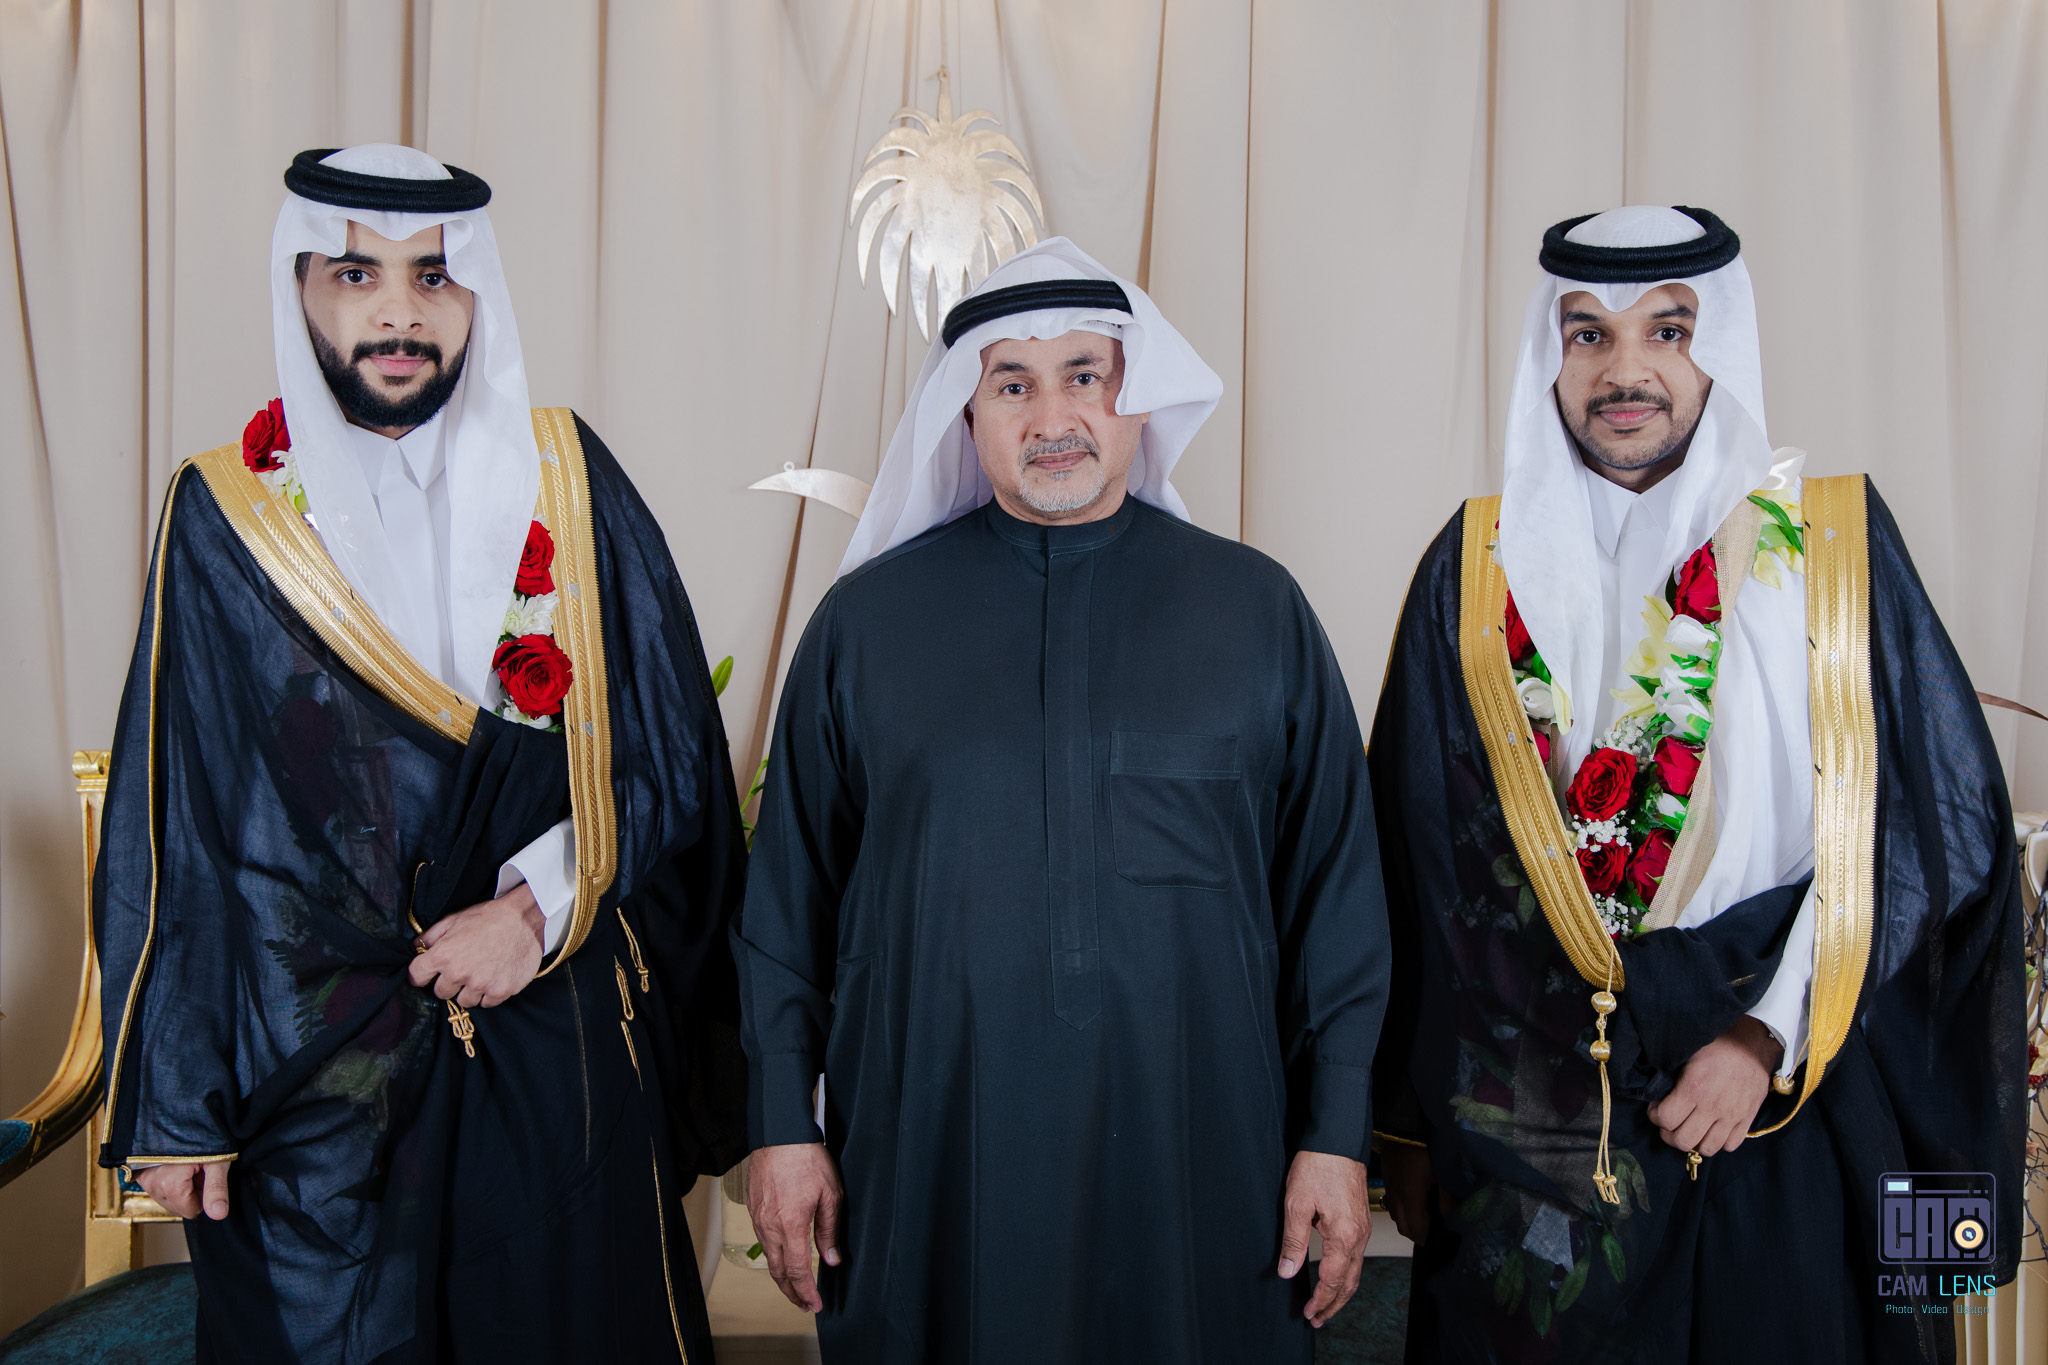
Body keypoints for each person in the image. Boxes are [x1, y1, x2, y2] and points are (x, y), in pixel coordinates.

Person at [94, 144, 748, 1364]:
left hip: (544, 1027)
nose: (398, 311)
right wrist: (178, 1107)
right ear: (301, 287)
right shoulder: (226, 514)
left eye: (432, 277)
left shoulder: (569, 478)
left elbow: (667, 753)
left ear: (474, 292)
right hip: (312, 1073)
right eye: (356, 274)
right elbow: (179, 818)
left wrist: (534, 910)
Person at [1369, 205, 2025, 1363]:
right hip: (1545, 1122)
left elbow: (1929, 829)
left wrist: (1764, 1035)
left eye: (1666, 331)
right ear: (1549, 354)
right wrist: (1409, 1133)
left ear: (1716, 344)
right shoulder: (1471, 568)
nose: (1624, 371)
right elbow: (1415, 860)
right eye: (1587, 334)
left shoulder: (1828, 546)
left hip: (1787, 1091)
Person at [732, 238, 1391, 1362]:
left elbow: (1336, 896)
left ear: (1138, 397)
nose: (1053, 418)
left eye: (1085, 376)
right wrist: (783, 1127)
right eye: (1012, 385)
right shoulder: (865, 627)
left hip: (1201, 1158)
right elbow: (784, 911)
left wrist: (1335, 1133)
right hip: (930, 1157)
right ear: (967, 411)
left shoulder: (1257, 612)